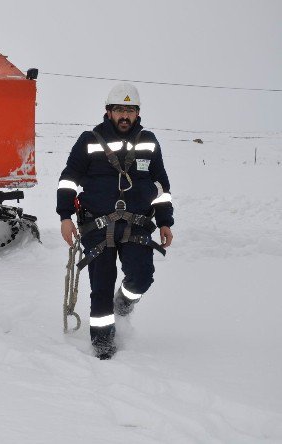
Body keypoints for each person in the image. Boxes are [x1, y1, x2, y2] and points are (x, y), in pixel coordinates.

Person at [56, 83, 174, 359]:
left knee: (142, 277)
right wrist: (64, 217)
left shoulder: (149, 141)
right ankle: (102, 344)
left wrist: (166, 221)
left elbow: (162, 187)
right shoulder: (89, 140)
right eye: (119, 109)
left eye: (130, 110)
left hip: (137, 223)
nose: (125, 115)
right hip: (96, 226)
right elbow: (67, 180)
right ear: (108, 112)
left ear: (138, 113)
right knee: (101, 287)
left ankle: (124, 302)